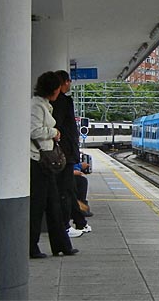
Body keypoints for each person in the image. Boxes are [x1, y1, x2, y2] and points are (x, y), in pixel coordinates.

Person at [30, 71, 77, 258]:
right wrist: (54, 132)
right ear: (53, 88)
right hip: (38, 161)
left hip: (45, 163)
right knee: (38, 205)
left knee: (53, 204)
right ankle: (32, 247)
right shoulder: (36, 106)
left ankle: (62, 245)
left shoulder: (44, 105)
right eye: (58, 87)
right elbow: (34, 131)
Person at [51, 70, 90, 237]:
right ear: (64, 83)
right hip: (65, 153)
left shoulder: (60, 101)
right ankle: (67, 225)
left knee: (69, 188)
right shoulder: (63, 102)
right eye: (69, 81)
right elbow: (58, 124)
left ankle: (79, 222)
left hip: (66, 152)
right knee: (65, 190)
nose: (70, 84)